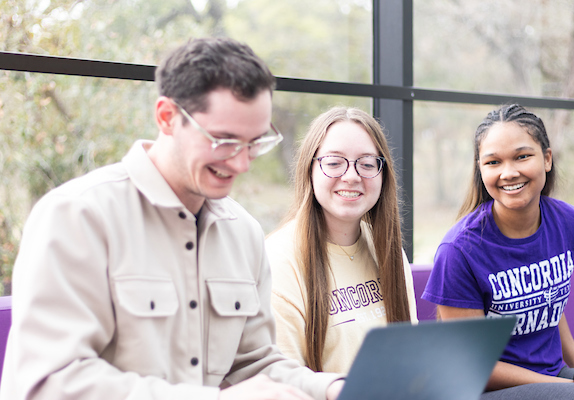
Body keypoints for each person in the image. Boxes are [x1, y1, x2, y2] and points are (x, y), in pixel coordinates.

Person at [0, 37, 343, 400]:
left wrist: (333, 387)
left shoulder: (243, 233)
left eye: (255, 142)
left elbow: (257, 365)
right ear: (166, 117)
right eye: (224, 140)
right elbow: (47, 383)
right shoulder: (76, 215)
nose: (241, 163)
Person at [422, 104, 574, 398]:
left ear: (546, 158)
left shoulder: (570, 223)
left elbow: (553, 306)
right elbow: (473, 365)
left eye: (522, 156)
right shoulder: (458, 251)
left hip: (553, 377)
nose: (508, 172)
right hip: (486, 389)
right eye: (493, 162)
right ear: (480, 168)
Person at [265, 106, 418, 374]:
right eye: (334, 162)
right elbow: (282, 384)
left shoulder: (386, 248)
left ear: (383, 174)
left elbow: (410, 359)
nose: (351, 176)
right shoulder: (277, 260)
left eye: (367, 164)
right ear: (309, 169)